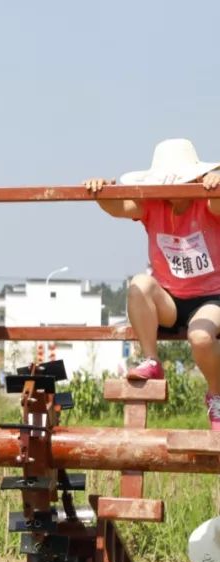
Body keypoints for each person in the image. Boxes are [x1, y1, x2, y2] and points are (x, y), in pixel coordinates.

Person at [84, 139, 220, 433]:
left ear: (197, 178)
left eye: (182, 181)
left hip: (212, 299)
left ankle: (216, 396)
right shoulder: (153, 204)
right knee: (140, 283)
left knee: (201, 338)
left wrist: (218, 182)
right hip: (170, 300)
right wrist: (100, 191)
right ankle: (151, 359)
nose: (174, 189)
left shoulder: (208, 199)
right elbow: (117, 207)